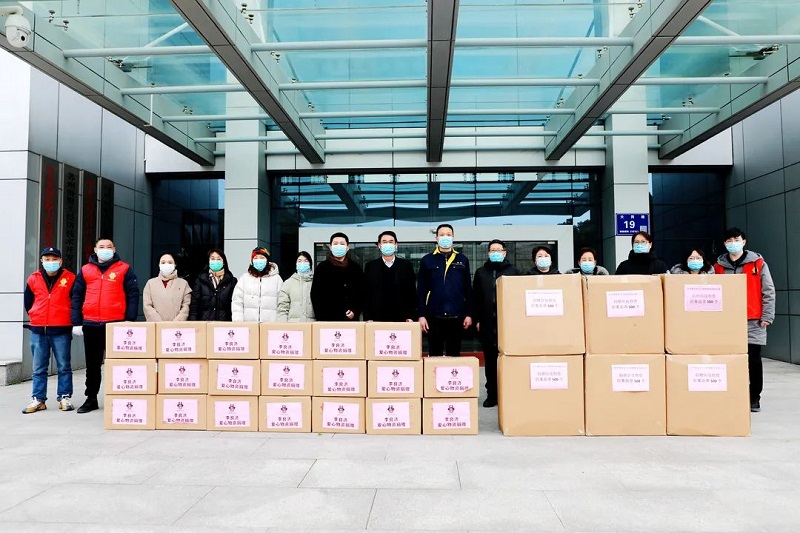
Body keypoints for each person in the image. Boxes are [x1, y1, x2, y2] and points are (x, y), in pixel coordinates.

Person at [71, 238, 139, 414]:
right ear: (95, 249)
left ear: (114, 249)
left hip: (116, 324)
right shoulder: (85, 270)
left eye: (109, 247)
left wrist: (130, 320)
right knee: (92, 365)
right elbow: (77, 296)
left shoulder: (124, 268)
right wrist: (76, 321)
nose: (105, 249)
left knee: (119, 363)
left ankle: (121, 397)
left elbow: (133, 294)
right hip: (91, 323)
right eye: (101, 247)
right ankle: (91, 398)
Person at [714, 228, 775, 413]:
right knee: (730, 359)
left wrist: (767, 316)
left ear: (744, 241)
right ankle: (733, 395)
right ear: (724, 244)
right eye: (729, 240)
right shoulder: (718, 266)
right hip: (727, 321)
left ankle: (754, 397)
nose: (733, 243)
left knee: (753, 360)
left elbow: (768, 290)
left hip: (753, 320)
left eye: (736, 239)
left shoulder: (758, 263)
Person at [22, 247, 76, 413]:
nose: (50, 262)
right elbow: (28, 301)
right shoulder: (34, 278)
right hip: (38, 329)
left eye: (54, 259)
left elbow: (75, 301)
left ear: (60, 261)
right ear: (42, 261)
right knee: (39, 368)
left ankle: (64, 397)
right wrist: (35, 314)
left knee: (64, 366)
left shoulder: (70, 278)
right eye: (47, 259)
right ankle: (38, 399)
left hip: (61, 329)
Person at [472, 240, 519, 407]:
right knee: (490, 362)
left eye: (499, 250)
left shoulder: (513, 272)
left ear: (505, 252)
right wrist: (477, 319)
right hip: (487, 324)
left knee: (508, 362)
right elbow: (476, 298)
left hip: (507, 325)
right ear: (488, 253)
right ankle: (491, 394)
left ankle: (508, 394)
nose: (496, 253)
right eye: (493, 250)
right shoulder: (481, 272)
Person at [417, 224, 473, 357]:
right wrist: (421, 315)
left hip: (456, 317)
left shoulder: (462, 259)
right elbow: (421, 290)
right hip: (434, 317)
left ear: (453, 237)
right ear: (436, 238)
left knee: (454, 356)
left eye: (448, 234)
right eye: (442, 235)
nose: (445, 237)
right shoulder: (427, 260)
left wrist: (469, 314)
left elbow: (468, 289)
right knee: (434, 355)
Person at [363, 231, 417, 322]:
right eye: (384, 242)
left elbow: (411, 292)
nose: (388, 244)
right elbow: (367, 294)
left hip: (402, 318)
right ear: (379, 245)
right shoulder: (371, 266)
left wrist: (410, 316)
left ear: (396, 245)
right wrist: (368, 317)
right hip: (377, 318)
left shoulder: (406, 266)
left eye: (391, 242)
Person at [310, 232, 363, 321]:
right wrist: (322, 316)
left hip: (350, 319)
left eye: (342, 244)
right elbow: (316, 295)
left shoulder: (355, 268)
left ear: (347, 247)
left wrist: (355, 311)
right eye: (335, 244)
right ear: (330, 247)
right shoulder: (322, 268)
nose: (339, 246)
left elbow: (361, 293)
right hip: (327, 319)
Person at [232, 247, 283, 322]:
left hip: (270, 325)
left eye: (262, 258)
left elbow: (282, 303)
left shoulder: (277, 279)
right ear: (252, 261)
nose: (259, 260)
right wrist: (238, 322)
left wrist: (279, 323)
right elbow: (237, 302)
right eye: (255, 258)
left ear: (267, 260)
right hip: (249, 325)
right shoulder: (244, 279)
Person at [188, 249, 237, 322]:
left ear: (223, 262)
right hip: (204, 324)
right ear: (208, 261)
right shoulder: (200, 280)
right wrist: (193, 323)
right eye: (212, 259)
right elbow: (194, 305)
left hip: (224, 324)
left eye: (218, 259)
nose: (215, 261)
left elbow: (235, 305)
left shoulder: (231, 281)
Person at [143, 253, 192, 321]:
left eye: (170, 262)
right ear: (159, 265)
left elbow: (186, 306)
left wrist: (176, 323)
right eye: (163, 262)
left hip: (177, 326)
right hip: (156, 325)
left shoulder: (183, 284)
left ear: (175, 264)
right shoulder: (150, 284)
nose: (166, 265)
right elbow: (147, 306)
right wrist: (159, 323)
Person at [277, 252, 315, 322]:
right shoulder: (288, 283)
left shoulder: (316, 282)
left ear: (310, 264)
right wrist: (282, 323)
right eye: (299, 261)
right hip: (293, 325)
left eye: (306, 261)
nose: (302, 263)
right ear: (296, 264)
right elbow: (282, 306)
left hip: (312, 325)